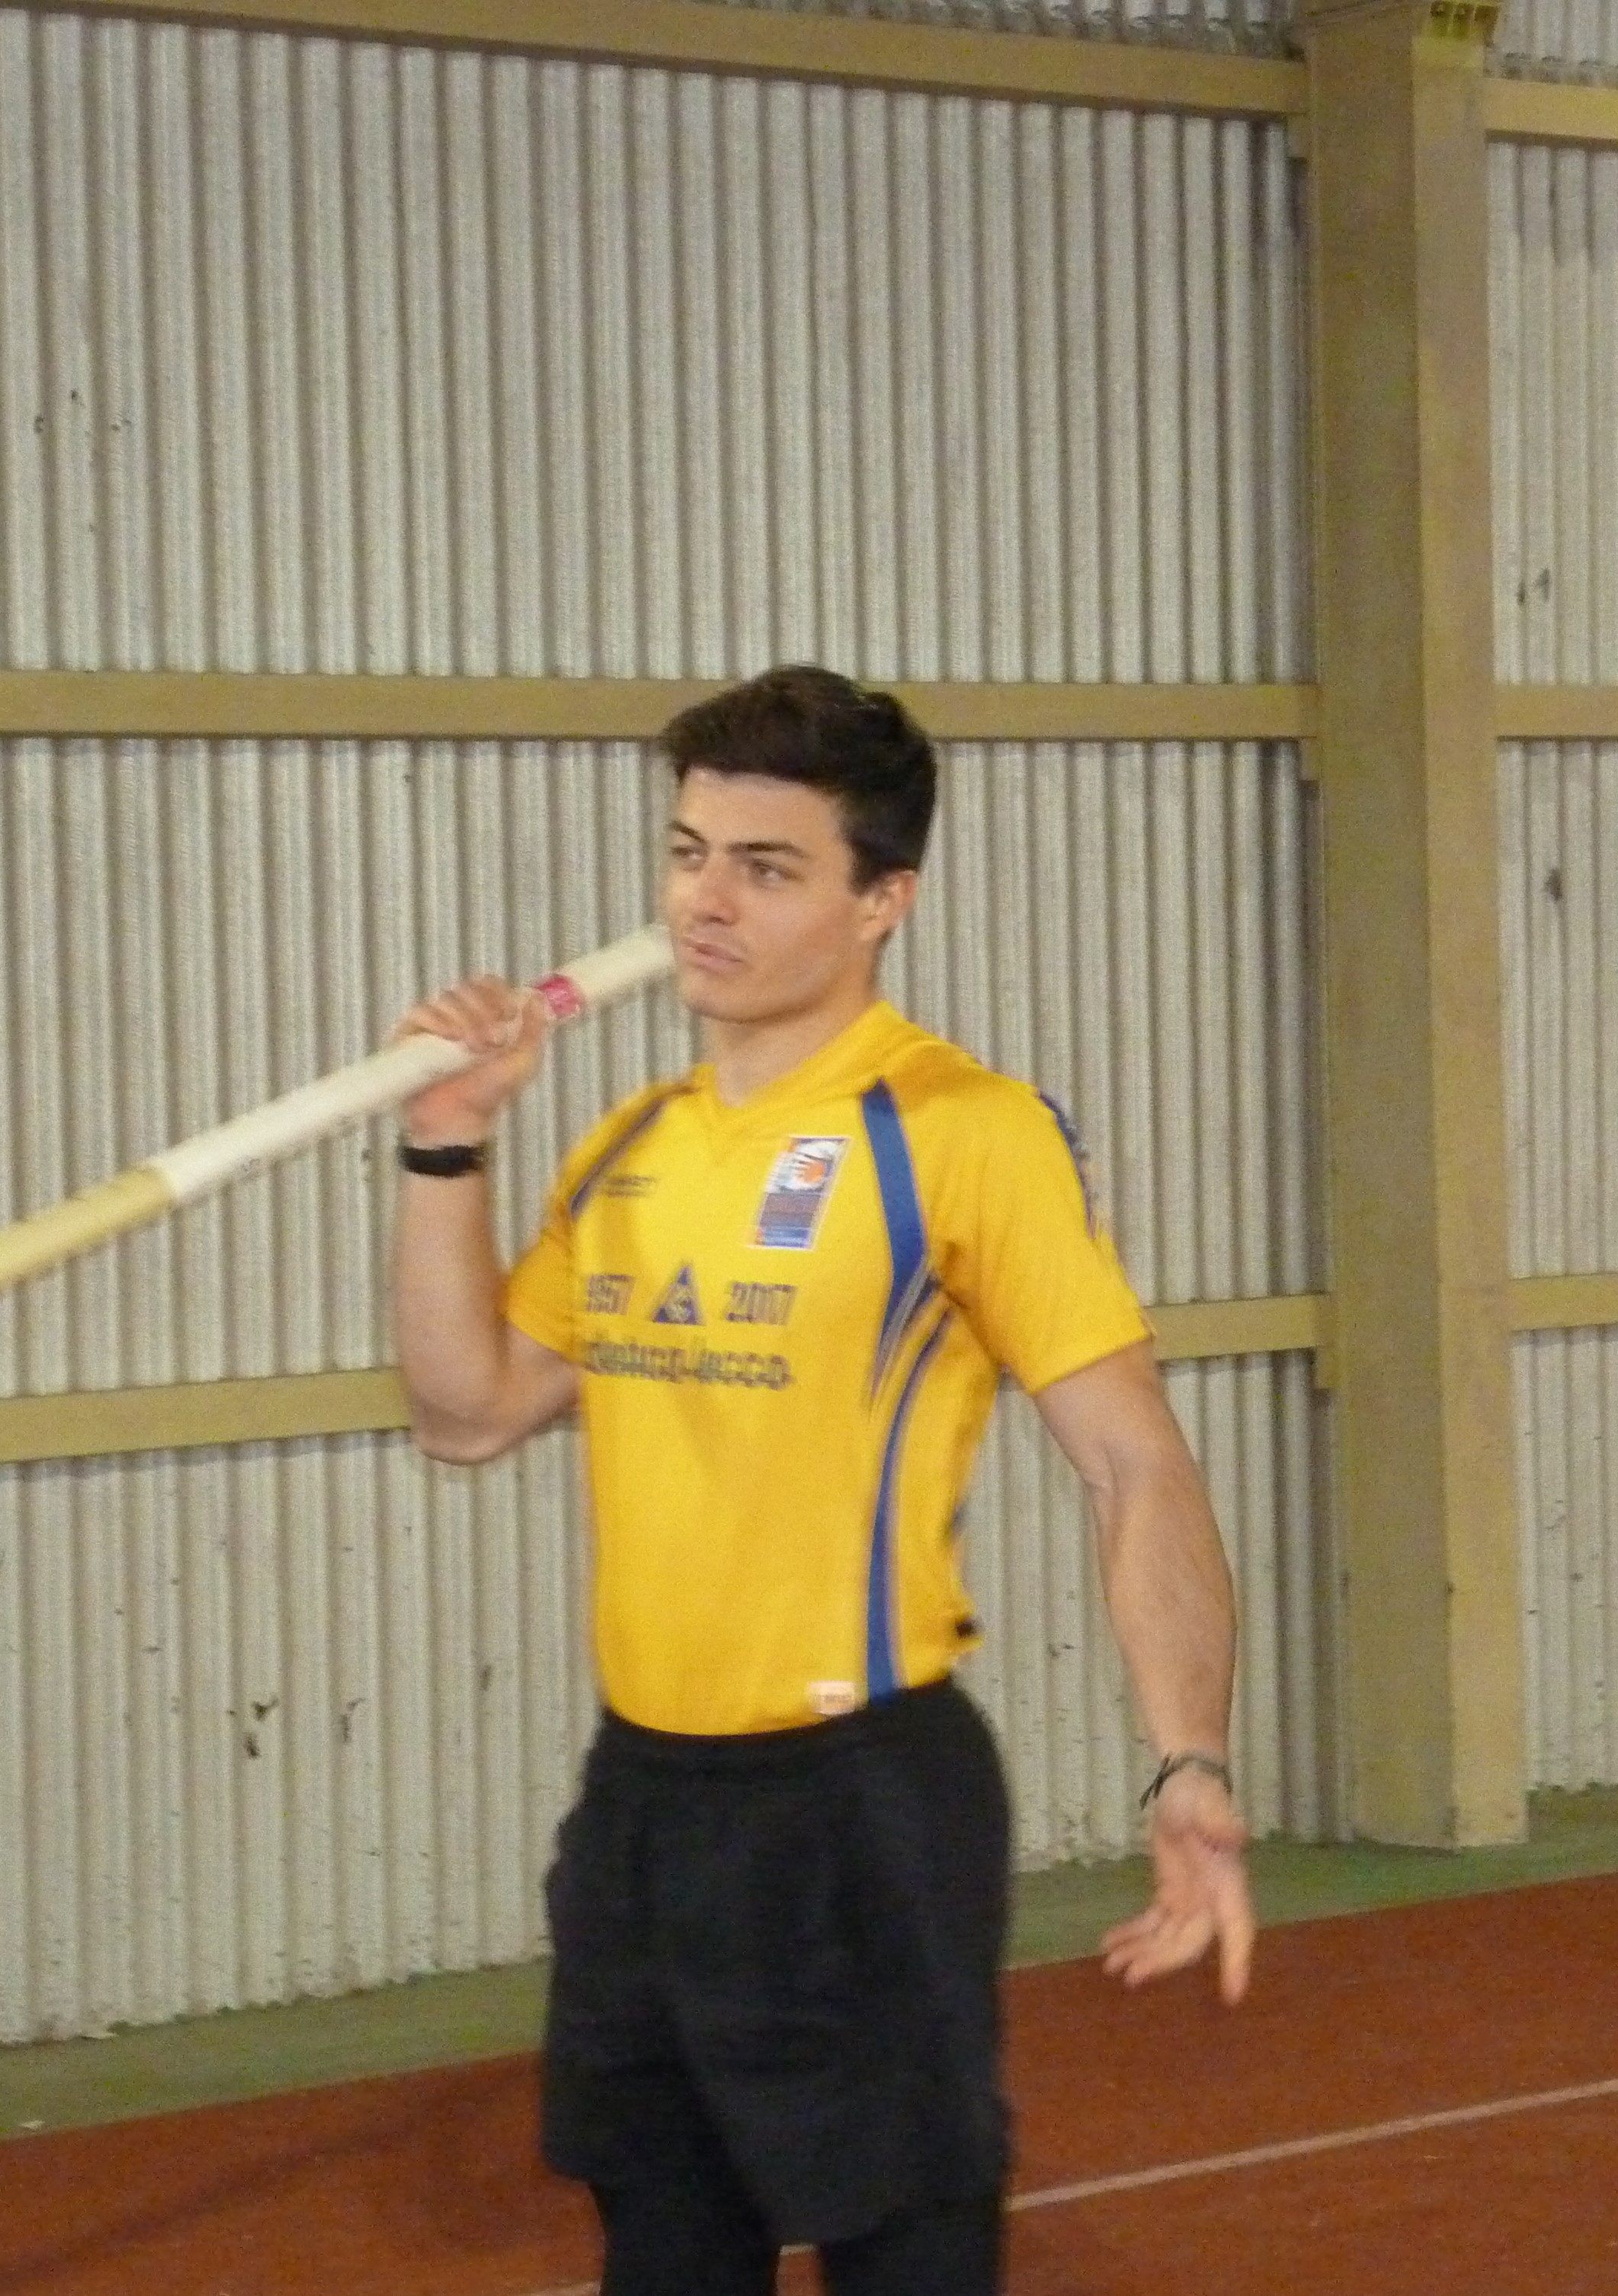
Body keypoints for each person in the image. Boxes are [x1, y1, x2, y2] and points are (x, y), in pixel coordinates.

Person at [390, 665, 1254, 2296]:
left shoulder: (962, 1132)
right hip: (645, 1803)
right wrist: (447, 1145)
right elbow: (467, 1412)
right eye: (688, 853)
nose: (703, 902)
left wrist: (1188, 1761)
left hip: (855, 1809)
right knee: (663, 2254)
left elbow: (1134, 1461)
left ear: (883, 900)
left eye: (766, 867)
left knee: (905, 2260)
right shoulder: (634, 1145)